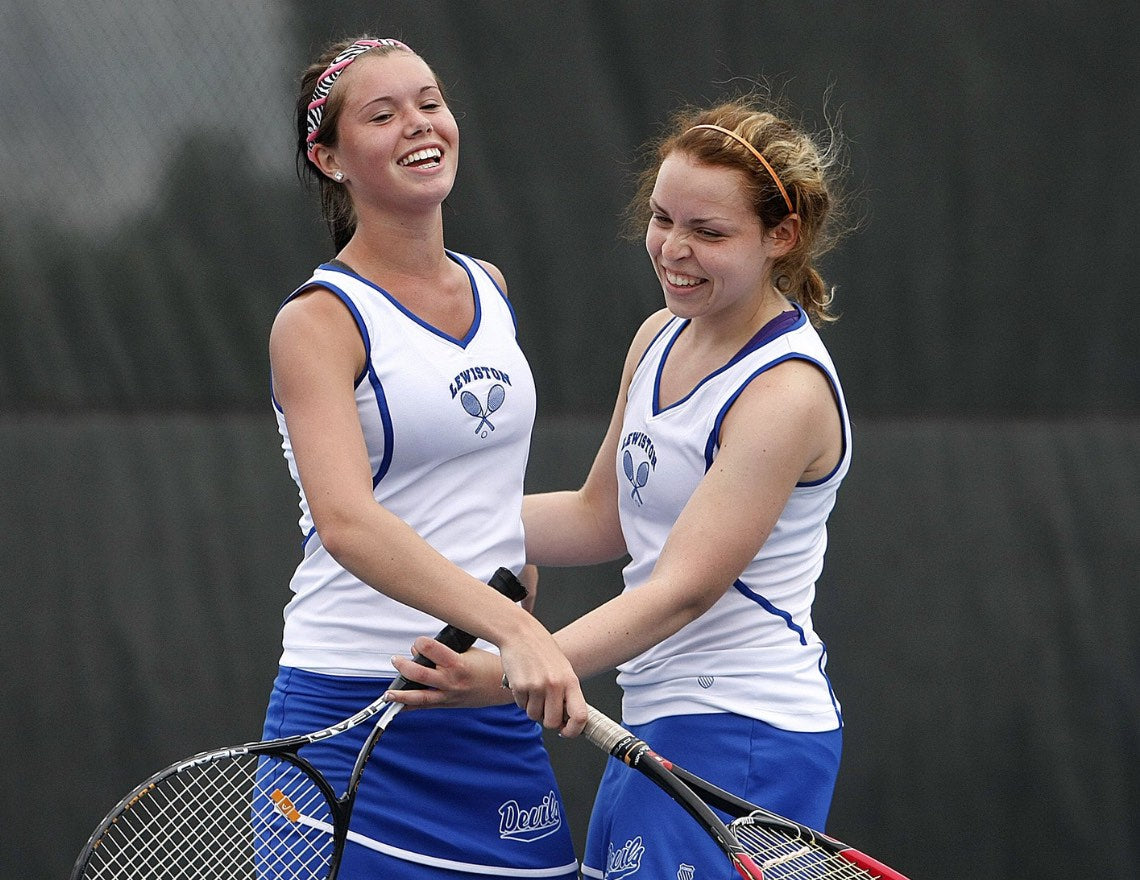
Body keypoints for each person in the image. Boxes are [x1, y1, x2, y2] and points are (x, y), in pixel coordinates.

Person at [391, 95, 854, 879]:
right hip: (657, 721)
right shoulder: (658, 336)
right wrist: (418, 528)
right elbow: (598, 516)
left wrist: (510, 672)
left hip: (745, 733)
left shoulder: (785, 393)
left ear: (781, 236)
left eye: (709, 232)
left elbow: (680, 592)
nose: (674, 249)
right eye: (662, 218)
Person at [263, 35, 586, 879]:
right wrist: (516, 627)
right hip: (351, 709)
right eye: (382, 114)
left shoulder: (491, 287)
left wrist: (509, 584)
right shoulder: (317, 321)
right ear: (330, 159)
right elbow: (347, 522)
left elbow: (481, 490)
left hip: (483, 697)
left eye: (430, 101)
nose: (419, 123)